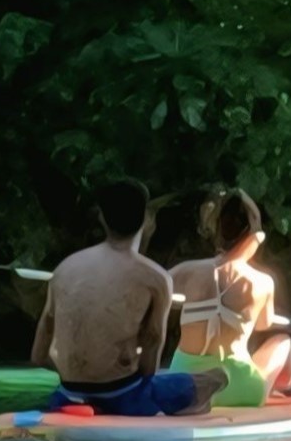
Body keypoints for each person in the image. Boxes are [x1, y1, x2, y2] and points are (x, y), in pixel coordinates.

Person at [30, 179, 226, 417]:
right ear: (146, 219)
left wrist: (78, 378)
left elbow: (38, 355)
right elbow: (151, 352)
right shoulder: (155, 278)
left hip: (67, 394)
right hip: (123, 396)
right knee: (216, 377)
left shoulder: (64, 269)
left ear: (102, 218)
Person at [170, 187, 291, 408]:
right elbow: (263, 325)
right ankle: (288, 385)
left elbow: (155, 293)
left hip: (184, 386)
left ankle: (288, 385)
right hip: (238, 389)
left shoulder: (187, 272)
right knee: (283, 342)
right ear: (255, 237)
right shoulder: (263, 283)